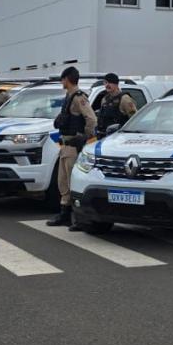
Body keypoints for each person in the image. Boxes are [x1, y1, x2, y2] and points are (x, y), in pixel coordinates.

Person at [47, 65, 95, 227]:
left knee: (72, 181)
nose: (61, 82)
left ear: (67, 79)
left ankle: (78, 217)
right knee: (63, 182)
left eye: (62, 79)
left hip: (74, 145)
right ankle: (64, 214)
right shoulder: (69, 96)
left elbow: (91, 119)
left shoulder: (78, 97)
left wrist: (84, 137)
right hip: (65, 145)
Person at [93, 72, 137, 137]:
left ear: (116, 84)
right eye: (105, 83)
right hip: (105, 136)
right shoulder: (105, 99)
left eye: (110, 82)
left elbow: (134, 119)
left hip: (118, 137)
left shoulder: (124, 99)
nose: (107, 85)